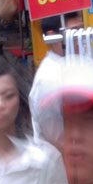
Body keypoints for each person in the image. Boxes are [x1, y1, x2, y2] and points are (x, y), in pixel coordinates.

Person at [28, 12, 84, 143]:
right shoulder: (49, 78)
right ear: (52, 37)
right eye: (74, 33)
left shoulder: (76, 62)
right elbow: (55, 138)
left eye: (82, 31)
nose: (80, 38)